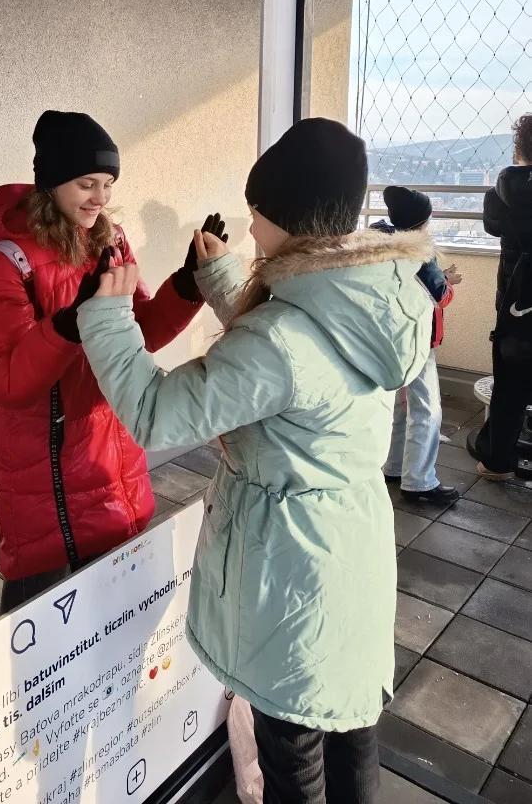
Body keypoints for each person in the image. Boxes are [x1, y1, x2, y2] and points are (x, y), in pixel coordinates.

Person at [77, 118, 433, 804]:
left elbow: (159, 412)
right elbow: (292, 343)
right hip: (350, 546)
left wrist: (109, 316)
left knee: (292, 750)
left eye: (256, 212)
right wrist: (219, 276)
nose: (250, 226)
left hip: (290, 569)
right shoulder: (369, 293)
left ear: (284, 216)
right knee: (350, 723)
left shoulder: (279, 338)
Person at [0, 110, 223, 613]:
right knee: (40, 635)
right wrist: (70, 325)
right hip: (44, 483)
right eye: (86, 184)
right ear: (52, 183)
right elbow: (1, 383)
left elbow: (141, 332)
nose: (100, 198)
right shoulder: (10, 260)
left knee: (117, 626)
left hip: (112, 459)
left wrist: (187, 284)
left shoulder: (111, 240)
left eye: (108, 184)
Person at [372, 186, 462, 504]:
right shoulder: (418, 250)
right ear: (422, 221)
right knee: (427, 408)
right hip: (417, 338)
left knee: (400, 408)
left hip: (390, 336)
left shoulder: (378, 243)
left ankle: (394, 466)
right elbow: (439, 296)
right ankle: (420, 482)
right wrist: (447, 281)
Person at [469, 114, 532, 481]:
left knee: (509, 386)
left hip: (516, 306)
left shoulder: (500, 194)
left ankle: (496, 463)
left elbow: (493, 226)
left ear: (519, 149)